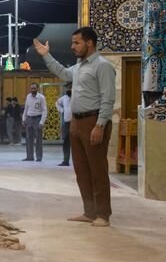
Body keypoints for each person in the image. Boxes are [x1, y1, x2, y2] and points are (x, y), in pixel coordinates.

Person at [34, 27, 116, 227]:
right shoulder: (79, 67)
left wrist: (100, 125)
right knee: (81, 170)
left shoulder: (103, 66)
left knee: (97, 170)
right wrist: (46, 56)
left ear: (89, 43)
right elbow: (63, 73)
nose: (72, 46)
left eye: (76, 43)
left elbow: (108, 98)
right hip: (76, 122)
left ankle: (103, 214)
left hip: (93, 121)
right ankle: (89, 212)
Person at [22, 83, 47, 161]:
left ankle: (39, 157)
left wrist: (42, 122)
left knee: (38, 139)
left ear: (37, 89)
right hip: (29, 118)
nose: (33, 90)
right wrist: (24, 119)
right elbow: (26, 108)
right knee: (29, 138)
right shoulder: (28, 96)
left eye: (34, 88)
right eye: (31, 88)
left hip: (38, 118)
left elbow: (44, 110)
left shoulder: (41, 97)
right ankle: (30, 157)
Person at [56, 87, 73, 166]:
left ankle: (78, 161)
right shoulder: (64, 98)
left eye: (70, 88)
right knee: (66, 142)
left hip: (75, 122)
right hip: (66, 122)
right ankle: (66, 160)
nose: (69, 90)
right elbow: (57, 103)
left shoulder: (77, 97)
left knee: (77, 143)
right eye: (68, 88)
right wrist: (61, 110)